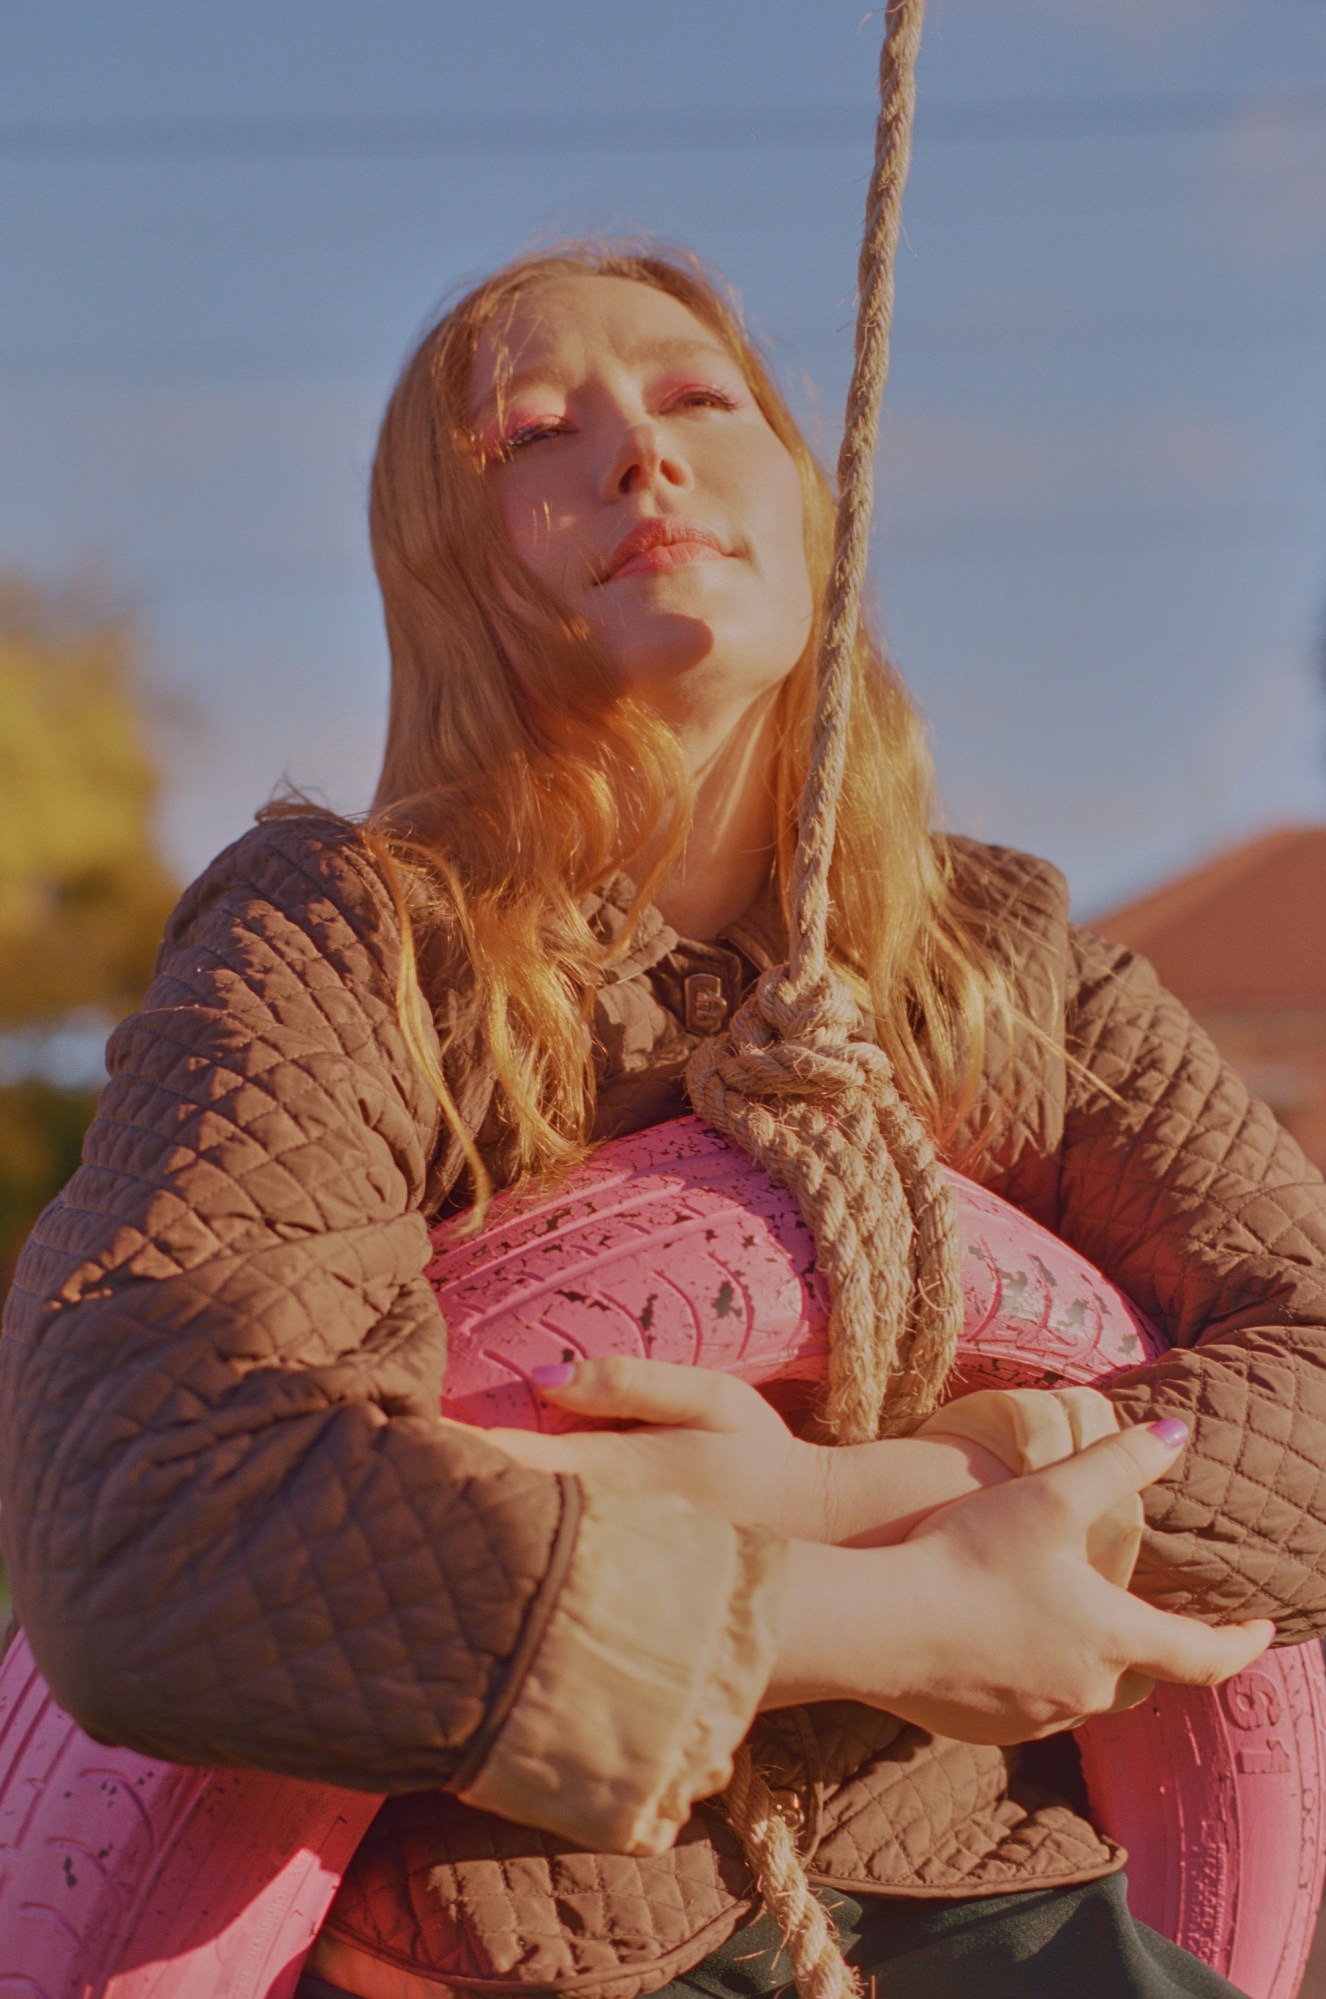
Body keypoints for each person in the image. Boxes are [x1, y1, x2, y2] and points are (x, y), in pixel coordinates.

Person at [2, 242, 1324, 1999]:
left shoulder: (1016, 971)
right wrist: (875, 1619)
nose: (638, 451)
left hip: (1005, 1918)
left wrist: (856, 1491)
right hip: (502, 1939)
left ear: (807, 496)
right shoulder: (340, 939)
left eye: (700, 399)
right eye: (535, 434)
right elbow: (152, 1514)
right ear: (444, 566)